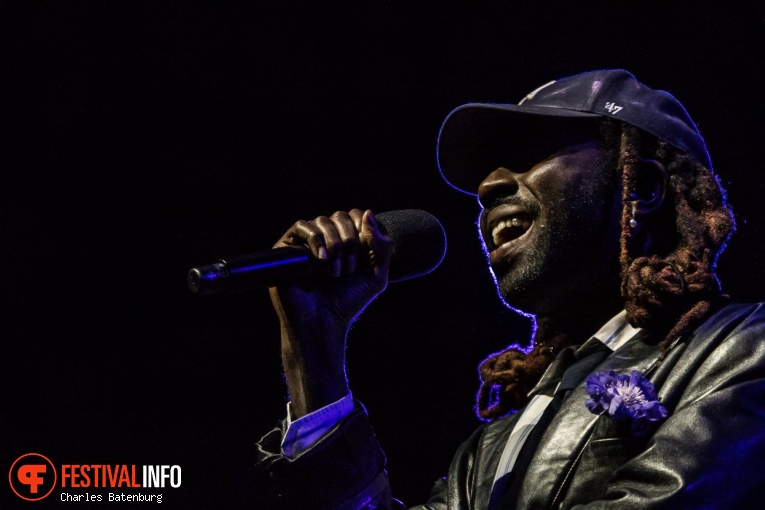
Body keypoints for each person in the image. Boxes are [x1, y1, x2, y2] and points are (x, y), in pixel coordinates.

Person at [251, 69, 765, 509]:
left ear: (644, 189)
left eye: (528, 153)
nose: (488, 186)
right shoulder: (489, 450)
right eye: (491, 168)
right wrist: (313, 348)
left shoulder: (742, 353)